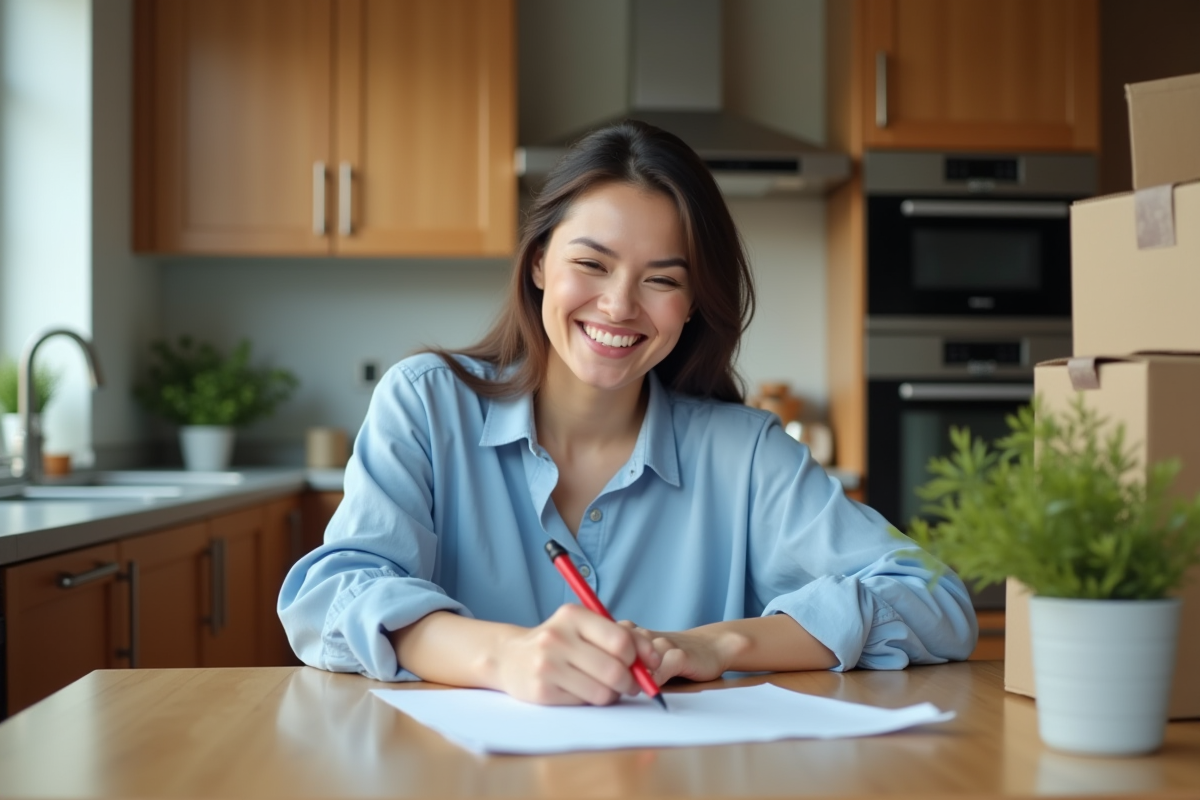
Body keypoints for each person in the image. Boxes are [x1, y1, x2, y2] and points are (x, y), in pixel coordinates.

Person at [278, 120, 977, 707]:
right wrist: (505, 657)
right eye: (592, 263)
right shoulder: (427, 404)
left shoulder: (745, 452)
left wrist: (715, 643)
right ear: (539, 264)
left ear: (694, 302)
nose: (619, 306)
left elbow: (937, 601)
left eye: (661, 279)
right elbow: (331, 598)